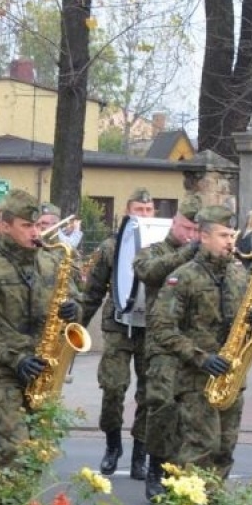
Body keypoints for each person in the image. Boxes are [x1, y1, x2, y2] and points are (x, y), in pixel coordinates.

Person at [0, 191, 82, 505]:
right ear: (3, 227)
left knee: (37, 451)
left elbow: (74, 300)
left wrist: (72, 309)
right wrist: (14, 358)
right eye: (27, 226)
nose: (35, 233)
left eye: (37, 225)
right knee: (16, 445)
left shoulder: (51, 260)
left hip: (42, 370)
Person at [145, 206, 252, 505]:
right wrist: (200, 358)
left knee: (225, 450)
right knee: (200, 448)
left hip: (231, 375)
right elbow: (162, 327)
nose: (231, 243)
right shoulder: (182, 276)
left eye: (233, 236)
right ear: (204, 236)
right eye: (225, 236)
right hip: (196, 377)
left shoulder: (240, 273)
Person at [77, 187, 158, 479]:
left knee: (149, 394)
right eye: (139, 210)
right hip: (118, 325)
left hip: (151, 328)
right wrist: (75, 328)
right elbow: (93, 291)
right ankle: (113, 445)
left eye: (149, 211)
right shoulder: (112, 247)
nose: (144, 215)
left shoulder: (163, 247)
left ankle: (140, 453)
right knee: (113, 388)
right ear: (128, 212)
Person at [132, 194, 202, 501]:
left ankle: (178, 470)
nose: (189, 234)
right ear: (174, 222)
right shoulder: (154, 250)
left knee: (189, 411)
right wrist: (188, 252)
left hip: (197, 345)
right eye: (186, 227)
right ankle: (155, 466)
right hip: (162, 342)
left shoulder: (205, 257)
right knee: (161, 404)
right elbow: (148, 272)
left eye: (195, 231)